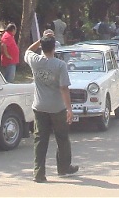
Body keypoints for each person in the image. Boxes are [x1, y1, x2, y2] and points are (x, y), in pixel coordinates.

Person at [24, 30, 79, 182]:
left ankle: (39, 173)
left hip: (39, 106)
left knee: (40, 140)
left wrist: (41, 39)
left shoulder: (35, 60)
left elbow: (28, 50)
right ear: (54, 48)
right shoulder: (60, 65)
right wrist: (69, 109)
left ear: (42, 47)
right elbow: (64, 88)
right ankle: (63, 167)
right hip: (57, 107)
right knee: (62, 138)